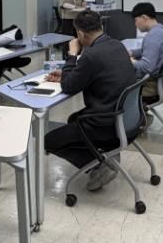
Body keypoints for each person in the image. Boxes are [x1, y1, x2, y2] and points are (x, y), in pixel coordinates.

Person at [44, 10, 136, 191]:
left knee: (49, 141)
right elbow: (97, 72)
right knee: (73, 119)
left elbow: (68, 86)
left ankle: (99, 164)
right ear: (100, 26)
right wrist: (70, 73)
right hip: (127, 119)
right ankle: (103, 155)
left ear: (80, 34)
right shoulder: (117, 45)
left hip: (104, 124)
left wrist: (72, 55)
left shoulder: (91, 55)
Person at [129, 2, 163, 101]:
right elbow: (149, 50)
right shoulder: (162, 30)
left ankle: (138, 111)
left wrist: (131, 60)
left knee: (118, 91)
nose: (135, 24)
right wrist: (131, 53)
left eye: (136, 20)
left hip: (152, 88)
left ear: (144, 17)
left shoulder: (153, 36)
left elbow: (146, 67)